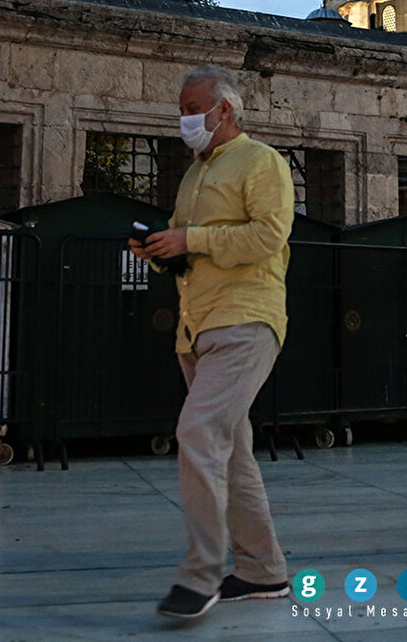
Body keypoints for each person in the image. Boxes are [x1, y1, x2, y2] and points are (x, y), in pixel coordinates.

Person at [129, 63, 294, 620]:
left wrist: (189, 238)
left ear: (225, 109)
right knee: (232, 451)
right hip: (196, 327)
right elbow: (188, 249)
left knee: (199, 432)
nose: (184, 119)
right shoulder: (193, 175)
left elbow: (269, 234)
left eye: (192, 109)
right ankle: (262, 570)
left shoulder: (262, 161)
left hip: (246, 320)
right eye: (181, 110)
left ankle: (199, 577)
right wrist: (160, 251)